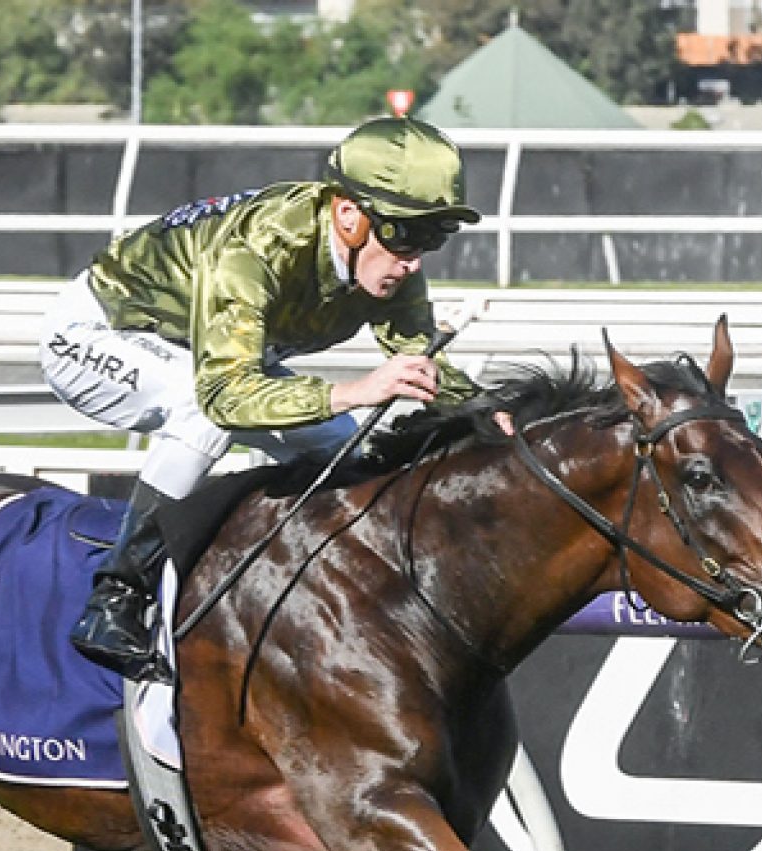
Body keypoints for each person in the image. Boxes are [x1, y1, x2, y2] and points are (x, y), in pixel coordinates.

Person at [40, 115, 484, 679]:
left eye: (435, 236)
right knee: (202, 415)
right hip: (101, 335)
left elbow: (425, 361)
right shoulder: (257, 248)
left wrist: (490, 412)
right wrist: (354, 392)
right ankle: (117, 596)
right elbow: (225, 392)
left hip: (211, 349)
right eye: (406, 234)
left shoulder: (392, 262)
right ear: (348, 215)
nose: (416, 259)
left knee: (348, 455)